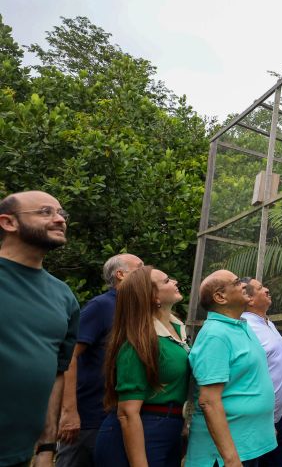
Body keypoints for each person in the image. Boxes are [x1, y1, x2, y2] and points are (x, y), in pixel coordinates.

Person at [0, 191, 80, 467]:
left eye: (61, 214)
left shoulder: (63, 296)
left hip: (20, 455)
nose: (59, 219)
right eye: (45, 212)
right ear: (8, 223)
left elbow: (58, 372)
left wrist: (46, 447)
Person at [93, 266, 190, 466]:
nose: (175, 282)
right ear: (153, 297)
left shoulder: (177, 329)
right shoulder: (137, 343)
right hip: (144, 429)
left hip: (169, 428)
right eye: (166, 281)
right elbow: (128, 413)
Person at [57, 253, 143, 467]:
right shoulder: (101, 306)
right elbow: (69, 356)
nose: (147, 273)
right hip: (88, 418)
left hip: (118, 416)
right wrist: (69, 412)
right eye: (140, 268)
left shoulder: (136, 311)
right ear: (121, 275)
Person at [186, 270, 277, 467]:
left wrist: (264, 425)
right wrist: (230, 458)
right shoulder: (215, 335)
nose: (244, 284)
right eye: (236, 283)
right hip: (225, 455)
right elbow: (209, 401)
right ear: (220, 297)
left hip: (249, 443)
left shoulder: (240, 326)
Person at [241, 278, 282, 467]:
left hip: (278, 416)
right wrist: (264, 420)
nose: (267, 289)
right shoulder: (246, 328)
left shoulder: (267, 323)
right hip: (259, 421)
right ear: (249, 299)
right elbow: (247, 375)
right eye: (261, 288)